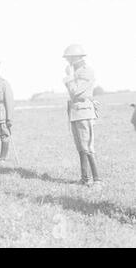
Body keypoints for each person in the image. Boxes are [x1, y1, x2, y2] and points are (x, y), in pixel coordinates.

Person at [62, 44, 101, 187]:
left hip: (84, 112)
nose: (67, 61)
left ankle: (97, 180)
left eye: (69, 58)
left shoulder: (86, 71)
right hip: (76, 112)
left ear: (76, 57)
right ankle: (85, 179)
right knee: (81, 148)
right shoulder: (77, 71)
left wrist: (68, 77)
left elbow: (75, 92)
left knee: (88, 148)